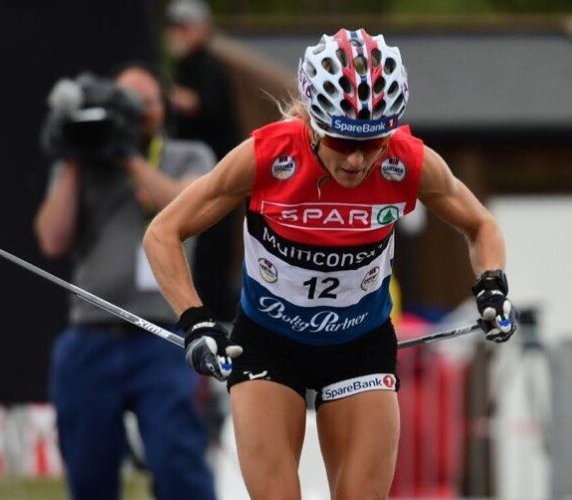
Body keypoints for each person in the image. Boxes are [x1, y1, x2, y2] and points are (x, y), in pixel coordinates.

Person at [144, 29, 518, 499]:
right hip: (268, 343)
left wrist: (492, 286)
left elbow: (481, 225)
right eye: (342, 142)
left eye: (374, 141)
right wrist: (195, 321)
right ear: (316, 124)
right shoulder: (269, 155)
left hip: (359, 344)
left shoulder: (407, 161)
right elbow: (163, 232)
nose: (358, 160)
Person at [35, 63, 217, 500]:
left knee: (177, 461)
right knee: (88, 468)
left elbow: (188, 207)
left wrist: (130, 158)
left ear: (162, 109)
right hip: (90, 335)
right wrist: (74, 156)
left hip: (162, 333)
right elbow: (52, 238)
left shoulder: (188, 156)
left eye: (144, 104)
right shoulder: (83, 164)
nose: (134, 116)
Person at [165, 0, 240, 322]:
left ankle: (214, 319)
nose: (178, 35)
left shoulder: (209, 66)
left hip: (215, 179)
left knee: (212, 256)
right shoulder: (183, 67)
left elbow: (208, 108)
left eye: (184, 28)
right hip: (194, 177)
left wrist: (173, 97)